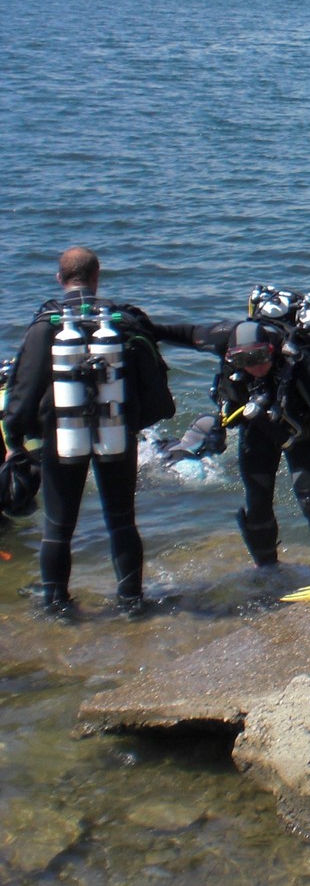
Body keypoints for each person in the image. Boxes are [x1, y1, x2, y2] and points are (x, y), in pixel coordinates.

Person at [2, 247, 148, 617]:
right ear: (98, 276)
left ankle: (56, 606)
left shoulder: (45, 324)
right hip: (116, 430)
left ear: (59, 278)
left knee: (58, 526)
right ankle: (131, 602)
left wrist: (15, 438)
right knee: (121, 520)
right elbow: (148, 379)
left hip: (62, 433)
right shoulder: (119, 321)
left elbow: (25, 387)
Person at [155, 317, 310, 575]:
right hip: (258, 428)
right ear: (231, 357)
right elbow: (185, 333)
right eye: (244, 361)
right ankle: (267, 570)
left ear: (271, 350)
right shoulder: (224, 342)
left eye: (261, 357)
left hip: (302, 432)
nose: (256, 366)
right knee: (257, 502)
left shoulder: (300, 364)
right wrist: (143, 326)